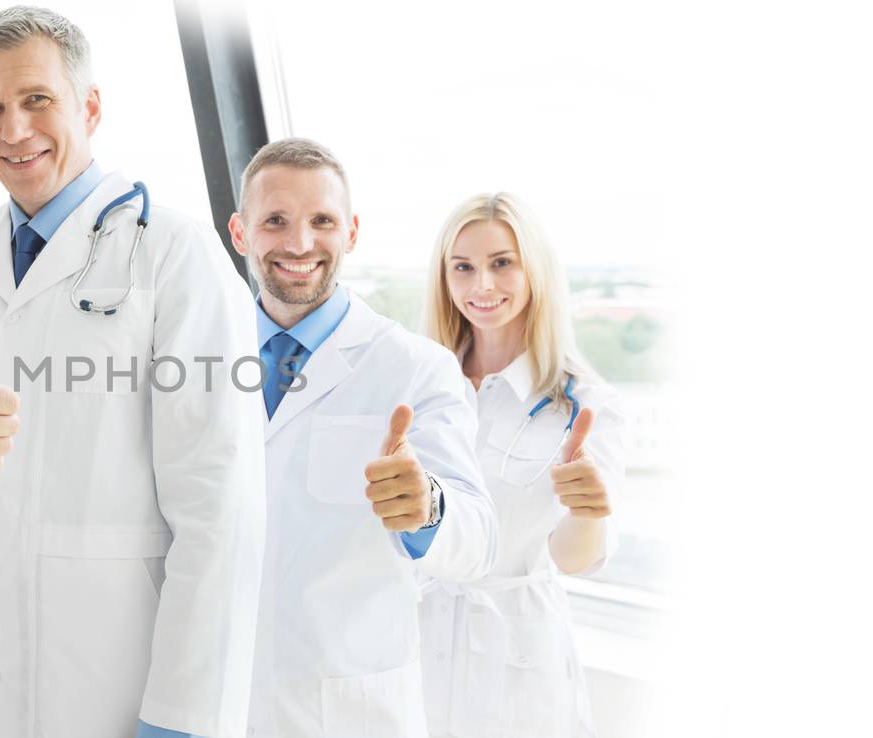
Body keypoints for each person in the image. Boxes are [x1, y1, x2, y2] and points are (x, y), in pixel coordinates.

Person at [0, 6, 265, 738]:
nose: (13, 130)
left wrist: (184, 719)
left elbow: (222, 506)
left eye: (37, 101)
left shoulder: (175, 255)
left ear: (89, 108)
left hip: (120, 687)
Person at [225, 138, 497, 738]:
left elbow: (477, 543)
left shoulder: (414, 367)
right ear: (241, 234)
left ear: (350, 232)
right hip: (218, 702)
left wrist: (427, 507)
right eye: (275, 221)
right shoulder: (194, 360)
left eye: (321, 221)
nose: (299, 244)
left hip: (348, 711)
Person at [417, 193, 625, 738]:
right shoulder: (421, 387)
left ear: (535, 271)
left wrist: (589, 510)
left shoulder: (586, 406)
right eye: (463, 268)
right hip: (418, 640)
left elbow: (573, 558)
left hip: (520, 662)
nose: (481, 285)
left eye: (501, 263)